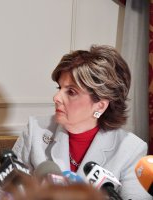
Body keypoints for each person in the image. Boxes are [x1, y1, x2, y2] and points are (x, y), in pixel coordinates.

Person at [11, 45, 152, 199]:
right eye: (59, 87)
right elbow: (8, 193)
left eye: (71, 91)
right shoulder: (36, 131)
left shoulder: (130, 150)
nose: (56, 97)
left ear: (100, 105)